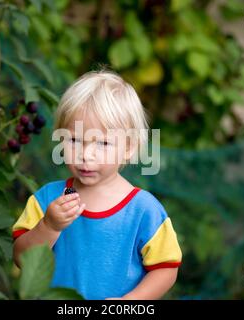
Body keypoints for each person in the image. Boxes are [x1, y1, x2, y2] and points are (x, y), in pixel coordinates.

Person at [12, 69, 182, 300]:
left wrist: (130, 302)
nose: (86, 154)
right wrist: (49, 227)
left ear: (129, 148)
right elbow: (21, 258)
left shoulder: (144, 210)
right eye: (74, 140)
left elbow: (166, 269)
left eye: (102, 143)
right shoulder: (47, 200)